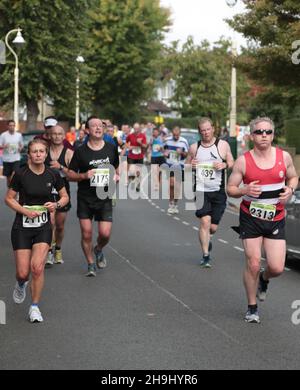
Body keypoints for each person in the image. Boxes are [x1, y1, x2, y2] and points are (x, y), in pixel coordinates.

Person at [227, 117, 298, 324]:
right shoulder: (243, 161)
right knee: (254, 262)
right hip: (251, 218)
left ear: (273, 134)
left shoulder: (283, 157)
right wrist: (244, 190)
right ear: (251, 136)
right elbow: (230, 188)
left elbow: (293, 177)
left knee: (276, 267)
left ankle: (264, 281)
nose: (264, 135)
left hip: (275, 217)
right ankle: (252, 307)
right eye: (259, 132)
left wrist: (290, 189)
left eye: (268, 131)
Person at [5, 139, 69, 323]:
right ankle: (21, 284)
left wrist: (55, 204)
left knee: (38, 268)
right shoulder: (20, 173)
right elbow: (9, 199)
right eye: (35, 151)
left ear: (46, 154)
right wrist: (25, 211)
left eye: (42, 151)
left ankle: (34, 307)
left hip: (43, 226)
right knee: (23, 272)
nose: (39, 154)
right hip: (22, 226)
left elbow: (64, 197)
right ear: (29, 154)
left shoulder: (53, 174)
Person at [67, 116, 119, 276]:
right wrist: (84, 175)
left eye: (100, 125)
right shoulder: (81, 151)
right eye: (94, 126)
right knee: (87, 233)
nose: (98, 128)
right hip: (85, 197)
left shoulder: (111, 148)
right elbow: (70, 175)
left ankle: (98, 249)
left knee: (105, 234)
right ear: (87, 131)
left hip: (104, 196)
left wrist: (116, 176)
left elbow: (116, 167)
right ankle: (90, 264)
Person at [187, 117, 234, 268]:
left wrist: (224, 164)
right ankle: (206, 255)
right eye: (203, 131)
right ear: (199, 132)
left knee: (212, 227)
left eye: (208, 129)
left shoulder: (223, 145)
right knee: (204, 222)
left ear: (213, 129)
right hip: (201, 190)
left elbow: (232, 162)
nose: (206, 133)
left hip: (218, 190)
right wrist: (191, 165)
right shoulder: (195, 147)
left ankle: (209, 237)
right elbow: (186, 164)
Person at [45, 125, 73, 265]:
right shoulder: (44, 151)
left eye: (59, 134)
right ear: (50, 136)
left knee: (60, 225)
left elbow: (74, 175)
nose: (56, 136)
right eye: (54, 134)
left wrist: (61, 167)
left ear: (64, 136)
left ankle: (58, 249)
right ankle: (49, 251)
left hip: (62, 193)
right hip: (46, 192)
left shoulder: (68, 153)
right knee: (50, 223)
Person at [164, 126, 189, 214]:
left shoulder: (184, 141)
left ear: (180, 134)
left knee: (177, 187)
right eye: (174, 135)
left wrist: (181, 153)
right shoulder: (167, 140)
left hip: (179, 165)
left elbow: (186, 154)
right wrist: (165, 153)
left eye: (177, 135)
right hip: (170, 164)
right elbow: (165, 152)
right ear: (172, 133)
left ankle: (175, 204)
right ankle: (170, 204)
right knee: (171, 184)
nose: (176, 136)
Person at [0, 120, 23, 187]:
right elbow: (0, 145)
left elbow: (21, 145)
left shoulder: (19, 135)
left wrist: (20, 148)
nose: (12, 127)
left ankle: (13, 191)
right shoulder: (3, 135)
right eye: (10, 125)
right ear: (7, 126)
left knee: (14, 175)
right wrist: (4, 146)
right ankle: (10, 191)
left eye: (13, 125)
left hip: (16, 158)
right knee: (8, 178)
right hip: (6, 159)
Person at [125, 123, 147, 192]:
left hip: (139, 156)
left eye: (137, 128)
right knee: (131, 171)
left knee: (138, 172)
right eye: (135, 128)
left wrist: (140, 143)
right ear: (133, 129)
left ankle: (138, 185)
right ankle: (131, 179)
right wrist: (129, 147)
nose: (136, 130)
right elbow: (125, 142)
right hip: (131, 155)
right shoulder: (130, 135)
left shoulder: (143, 136)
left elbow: (145, 146)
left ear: (139, 129)